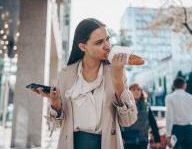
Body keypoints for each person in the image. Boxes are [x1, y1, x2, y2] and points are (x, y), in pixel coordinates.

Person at [31, 18, 137, 149]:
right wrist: (56, 104)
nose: (107, 46)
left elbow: (128, 120)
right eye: (99, 42)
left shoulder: (116, 71)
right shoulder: (66, 75)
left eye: (107, 39)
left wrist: (118, 82)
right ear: (83, 47)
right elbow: (59, 124)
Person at [121, 83, 161, 149]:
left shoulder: (146, 105)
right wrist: (121, 137)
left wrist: (157, 139)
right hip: (129, 140)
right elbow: (120, 122)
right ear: (129, 92)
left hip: (143, 140)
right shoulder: (125, 105)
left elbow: (153, 122)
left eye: (138, 89)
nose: (136, 91)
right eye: (133, 90)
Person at [165, 77, 192, 149]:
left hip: (176, 130)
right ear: (184, 85)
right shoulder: (190, 97)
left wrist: (168, 135)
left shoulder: (169, 97)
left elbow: (169, 117)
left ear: (173, 86)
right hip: (189, 129)